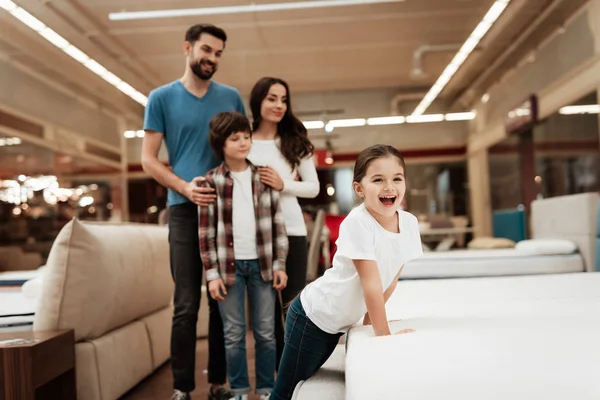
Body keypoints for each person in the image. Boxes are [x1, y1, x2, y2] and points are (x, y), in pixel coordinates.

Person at [269, 144, 424, 400]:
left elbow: (390, 278)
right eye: (378, 180)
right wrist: (383, 335)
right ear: (358, 188)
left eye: (397, 178)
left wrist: (371, 324)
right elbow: (371, 284)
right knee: (286, 391)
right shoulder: (358, 222)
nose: (389, 187)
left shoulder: (409, 223)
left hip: (338, 322)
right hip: (313, 317)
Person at [141, 23, 245, 400]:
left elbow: (243, 150)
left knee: (222, 301)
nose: (212, 59)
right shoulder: (161, 98)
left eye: (218, 53)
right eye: (206, 50)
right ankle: (182, 388)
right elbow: (148, 161)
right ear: (187, 48)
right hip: (183, 210)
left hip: (225, 210)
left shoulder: (231, 96)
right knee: (186, 303)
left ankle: (219, 384)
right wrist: (184, 186)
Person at [199, 111, 289, 400]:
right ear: (221, 145)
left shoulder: (264, 177)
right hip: (228, 268)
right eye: (235, 138)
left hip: (262, 264)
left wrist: (280, 264)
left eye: (246, 137)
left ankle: (266, 389)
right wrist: (211, 275)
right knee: (233, 335)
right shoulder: (210, 181)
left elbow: (278, 225)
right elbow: (206, 235)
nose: (243, 143)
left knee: (265, 332)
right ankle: (238, 390)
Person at [246, 77, 319, 365]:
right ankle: (273, 376)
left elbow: (312, 187)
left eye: (283, 99)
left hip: (293, 231)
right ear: (258, 101)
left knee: (292, 308)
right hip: (256, 235)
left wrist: (282, 183)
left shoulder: (295, 142)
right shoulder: (244, 141)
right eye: (271, 98)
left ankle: (294, 371)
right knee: (264, 315)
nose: (279, 105)